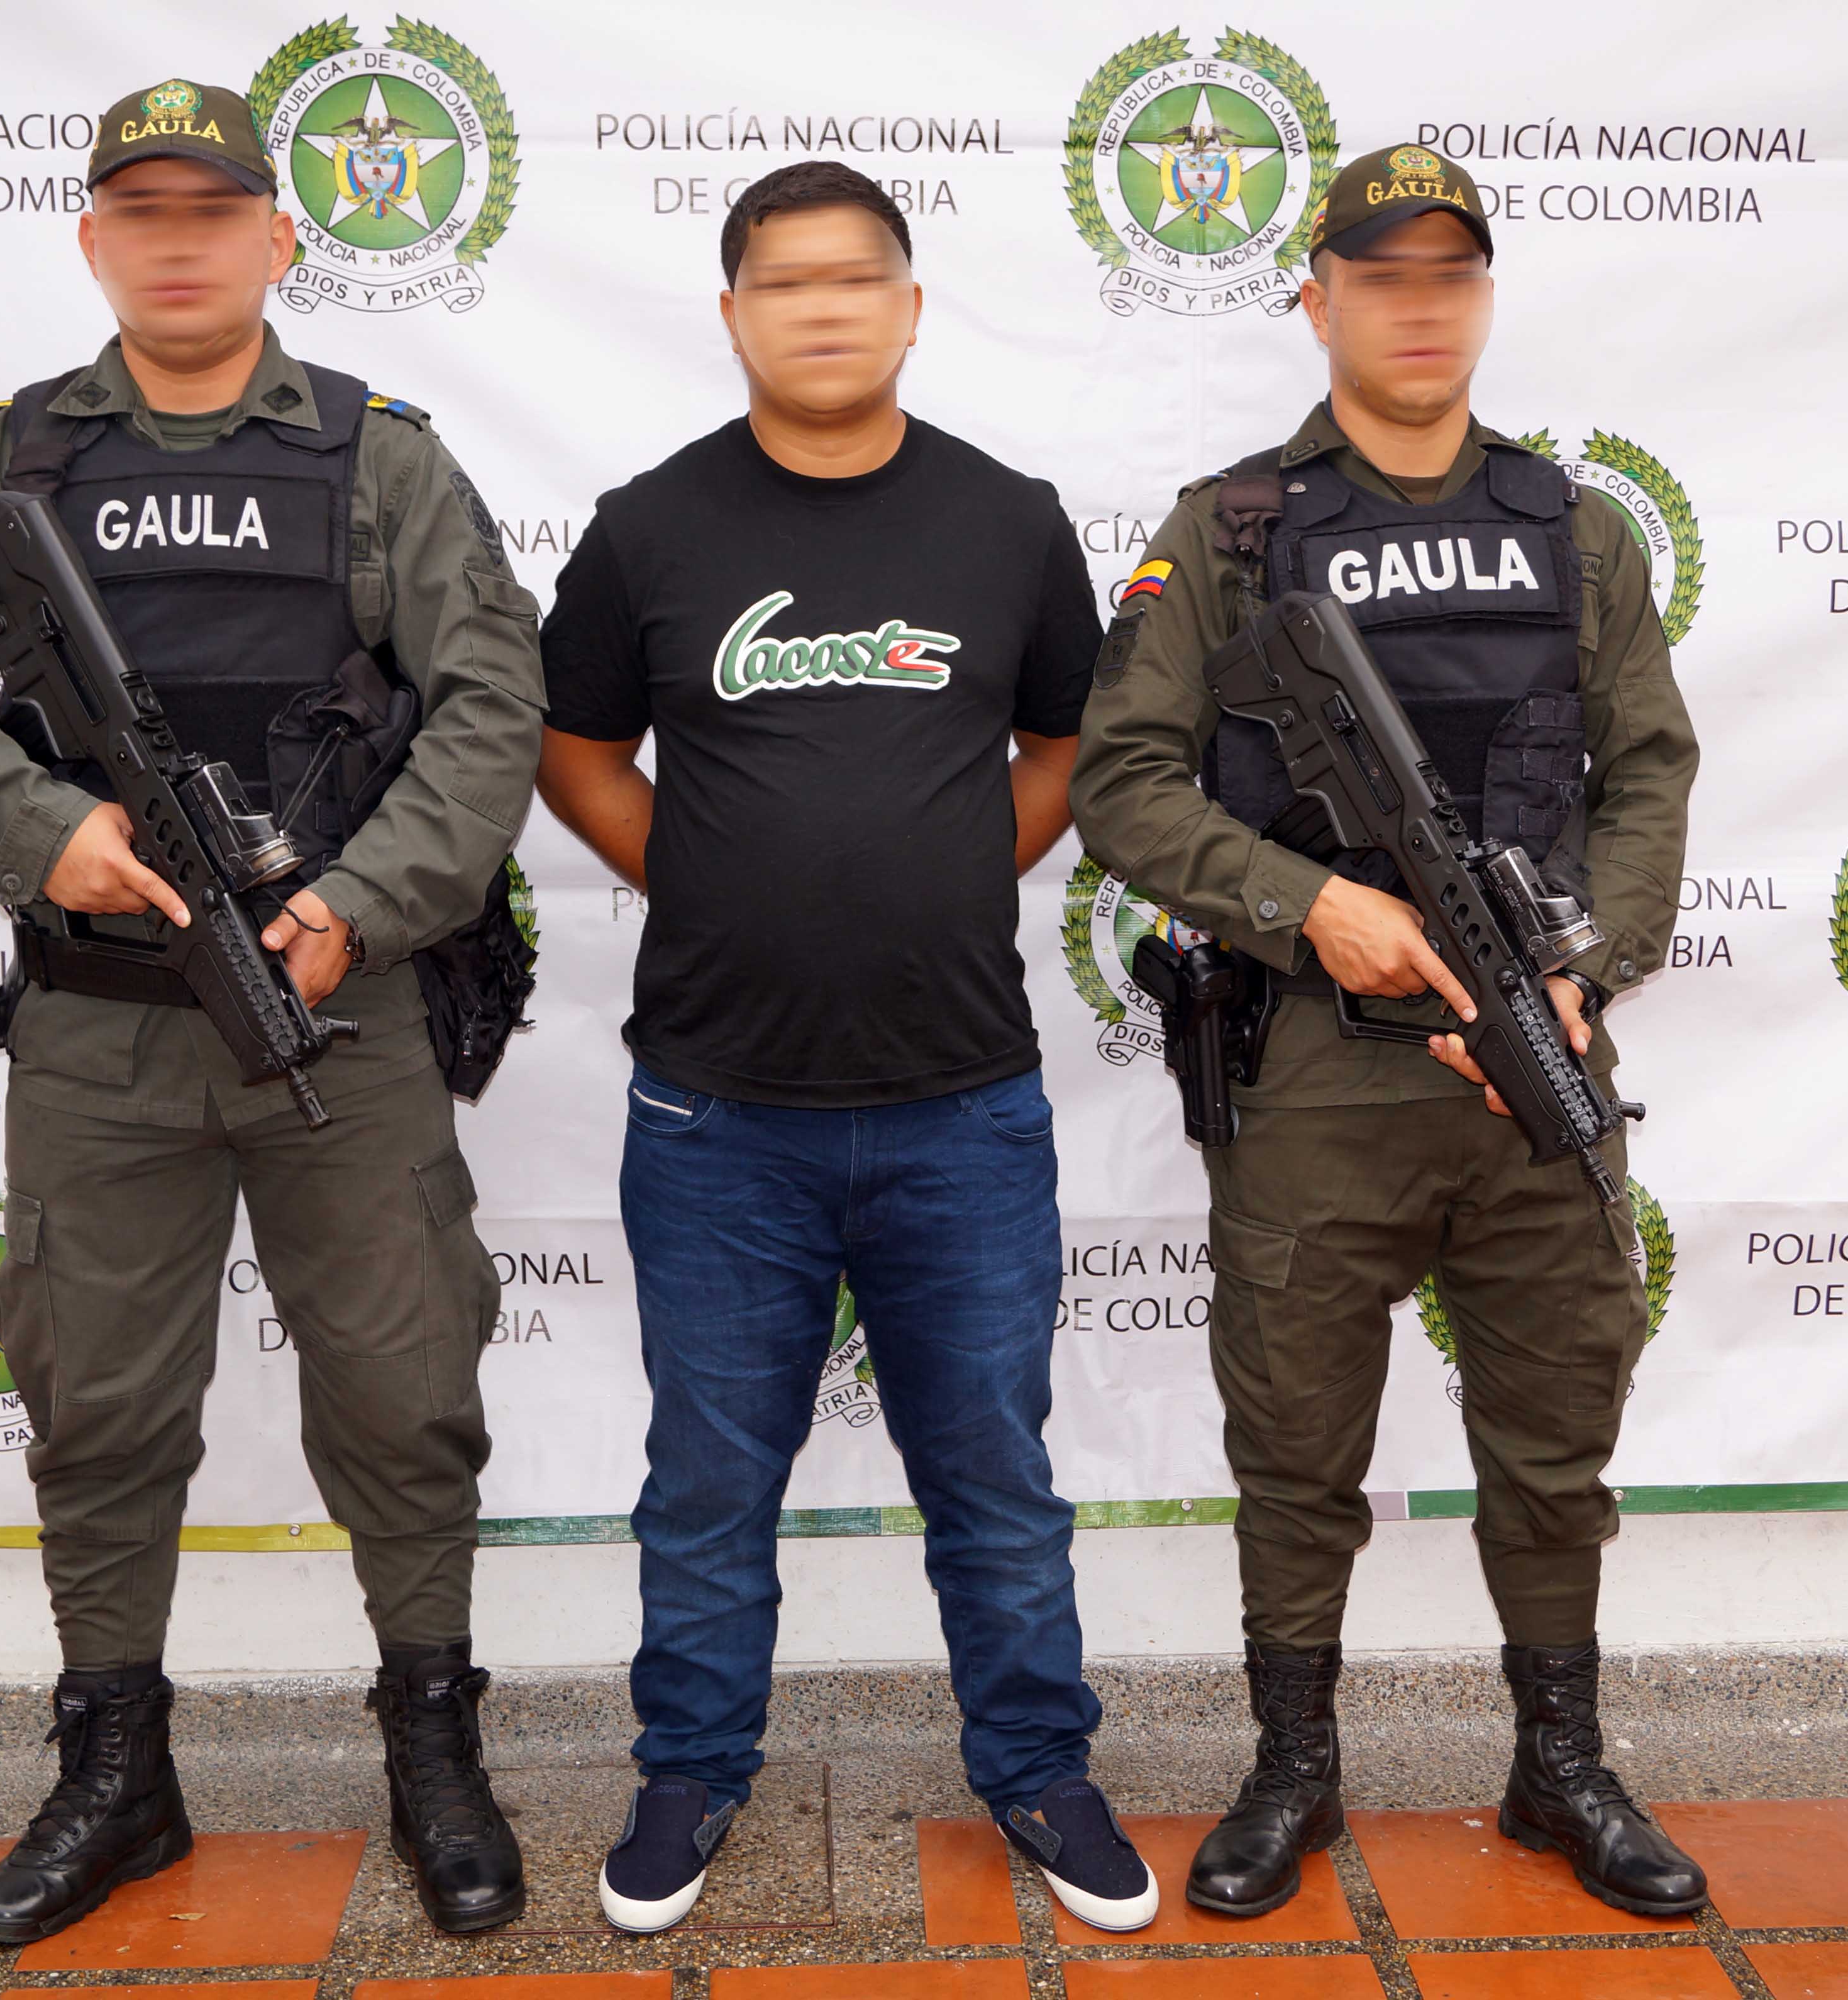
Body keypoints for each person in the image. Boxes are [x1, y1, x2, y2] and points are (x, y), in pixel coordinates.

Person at [0, 81, 546, 1942]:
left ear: (282, 234)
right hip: (97, 1025)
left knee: (400, 1388)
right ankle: (116, 1766)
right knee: (100, 1405)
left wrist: (358, 910)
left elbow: (488, 704)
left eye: (214, 210)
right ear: (94, 242)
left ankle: (433, 1738)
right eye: (141, 212)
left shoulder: (382, 459)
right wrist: (39, 828)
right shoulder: (2, 465)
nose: (180, 240)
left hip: (336, 1013)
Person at [1066, 144, 1707, 1920]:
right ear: (1320, 298)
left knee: (1557, 1430)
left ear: (1482, 298)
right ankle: (1295, 1765)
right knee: (1295, 1439)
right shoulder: (1231, 528)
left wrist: (1595, 962)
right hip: (1321, 1076)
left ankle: (1559, 1763)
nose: (1420, 303)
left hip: (1537, 1064)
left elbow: (1646, 769)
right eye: (1383, 272)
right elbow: (1123, 782)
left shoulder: (1576, 528)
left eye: (1451, 273)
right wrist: (1310, 902)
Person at [533, 160, 1156, 1936]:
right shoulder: (654, 528)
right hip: (718, 1113)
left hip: (966, 1104)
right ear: (732, 312)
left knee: (996, 1472)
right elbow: (576, 749)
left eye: (854, 276)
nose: (821, 304)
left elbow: (1071, 737)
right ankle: (689, 1770)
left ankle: (1038, 1762)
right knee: (710, 1477)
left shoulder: (1006, 519)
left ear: (906, 303)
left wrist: (967, 857)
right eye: (782, 280)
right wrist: (708, 870)